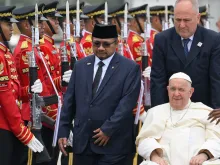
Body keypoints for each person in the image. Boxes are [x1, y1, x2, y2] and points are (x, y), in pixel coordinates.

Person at [58, 24, 141, 165]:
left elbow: (126, 104)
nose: (101, 48)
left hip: (113, 144)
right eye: (96, 43)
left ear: (116, 43)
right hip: (83, 143)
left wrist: (108, 129)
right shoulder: (81, 66)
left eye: (106, 44)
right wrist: (63, 131)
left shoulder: (129, 68)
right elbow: (70, 101)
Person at [136, 72, 220, 165]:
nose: (176, 94)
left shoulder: (206, 112)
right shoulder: (155, 112)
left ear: (190, 92)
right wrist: (154, 157)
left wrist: (204, 155)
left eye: (181, 89)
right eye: (173, 89)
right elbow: (144, 140)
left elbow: (216, 140)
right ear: (168, 90)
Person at [150, 0, 220, 108]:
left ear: (197, 18)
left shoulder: (213, 40)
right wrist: (159, 112)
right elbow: (158, 80)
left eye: (187, 20)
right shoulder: (162, 40)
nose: (181, 25)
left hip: (203, 109)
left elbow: (216, 80)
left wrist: (216, 114)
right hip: (172, 109)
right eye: (178, 20)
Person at [0, 5, 44, 165]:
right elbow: (5, 98)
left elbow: (14, 92)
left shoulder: (5, 52)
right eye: (7, 24)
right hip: (4, 125)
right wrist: (22, 131)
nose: (12, 28)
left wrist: (29, 90)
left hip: (10, 124)